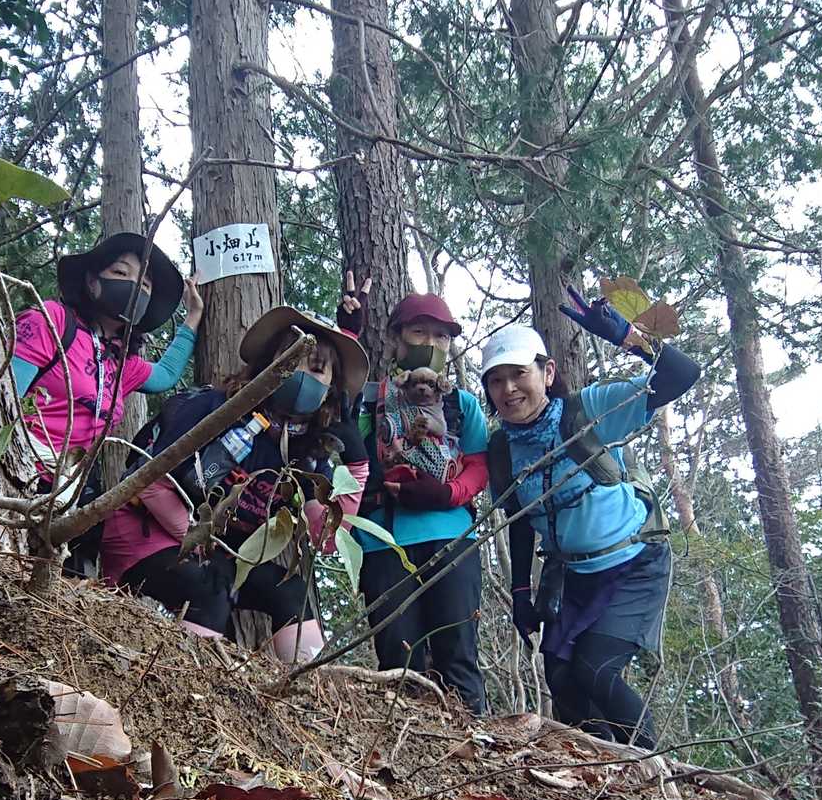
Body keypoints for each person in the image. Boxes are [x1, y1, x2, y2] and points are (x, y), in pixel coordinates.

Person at [482, 288, 701, 748]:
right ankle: (604, 772)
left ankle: (652, 768)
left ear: (547, 373)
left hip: (634, 563)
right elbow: (520, 519)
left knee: (595, 670)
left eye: (519, 374)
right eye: (496, 381)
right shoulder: (502, 447)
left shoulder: (589, 411)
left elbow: (682, 374)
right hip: (572, 575)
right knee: (563, 680)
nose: (509, 389)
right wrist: (520, 594)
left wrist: (628, 337)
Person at [100, 307, 370, 662]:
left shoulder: (305, 454)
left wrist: (357, 466)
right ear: (269, 364)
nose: (302, 375)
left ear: (330, 390)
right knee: (209, 588)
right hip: (144, 533)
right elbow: (149, 483)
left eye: (317, 369)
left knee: (290, 592)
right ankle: (186, 685)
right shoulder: (213, 408)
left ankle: (307, 687)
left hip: (219, 554)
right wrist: (201, 544)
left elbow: (327, 538)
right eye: (292, 360)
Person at [10, 232, 203, 574]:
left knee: (70, 574)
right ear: (91, 280)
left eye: (145, 285)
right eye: (120, 272)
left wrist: (192, 318)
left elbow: (165, 375)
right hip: (20, 474)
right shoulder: (52, 321)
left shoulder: (122, 362)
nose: (135, 286)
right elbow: (4, 400)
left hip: (75, 485)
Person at [338, 277, 489, 712]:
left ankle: (476, 743)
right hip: (383, 540)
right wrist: (347, 331)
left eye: (441, 336)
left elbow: (479, 464)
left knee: (458, 659)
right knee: (399, 665)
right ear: (395, 338)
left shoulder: (460, 404)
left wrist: (448, 493)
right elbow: (334, 404)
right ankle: (402, 751)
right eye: (419, 332)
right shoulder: (370, 400)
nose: (431, 343)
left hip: (452, 539)